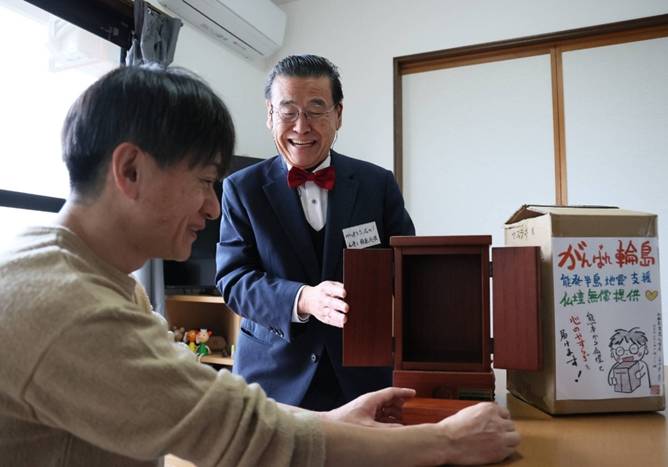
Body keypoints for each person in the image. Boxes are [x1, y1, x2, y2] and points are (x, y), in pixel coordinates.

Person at [0, 64, 519, 467]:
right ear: (131, 169)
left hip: (351, 371)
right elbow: (233, 427)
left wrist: (335, 421)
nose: (212, 206)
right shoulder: (65, 305)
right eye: (205, 181)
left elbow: (200, 398)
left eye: (317, 108)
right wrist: (445, 441)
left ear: (339, 113)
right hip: (279, 365)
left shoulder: (100, 280)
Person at [216, 54, 415, 411]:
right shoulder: (241, 189)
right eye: (288, 110)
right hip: (273, 377)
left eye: (316, 109)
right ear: (269, 115)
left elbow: (408, 267)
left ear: (338, 114)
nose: (301, 126)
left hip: (362, 376)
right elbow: (234, 280)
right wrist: (304, 299)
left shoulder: (377, 184)